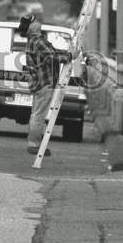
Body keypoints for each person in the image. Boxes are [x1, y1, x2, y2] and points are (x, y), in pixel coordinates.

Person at [18, 13, 79, 156]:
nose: (39, 23)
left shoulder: (35, 41)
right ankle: (34, 145)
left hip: (40, 83)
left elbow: (52, 52)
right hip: (44, 83)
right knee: (38, 115)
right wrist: (70, 56)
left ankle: (34, 143)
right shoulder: (38, 41)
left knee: (36, 114)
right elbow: (52, 57)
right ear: (32, 27)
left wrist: (66, 53)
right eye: (35, 22)